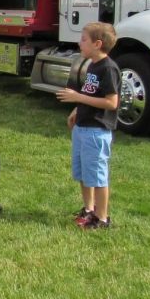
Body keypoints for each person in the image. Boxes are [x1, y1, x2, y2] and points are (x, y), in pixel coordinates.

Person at [57, 22, 120, 230]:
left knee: (98, 176)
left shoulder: (108, 68)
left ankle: (102, 219)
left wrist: (77, 97)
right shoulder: (91, 64)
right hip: (82, 127)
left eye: (84, 39)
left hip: (96, 131)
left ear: (98, 44)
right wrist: (76, 110)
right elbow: (91, 94)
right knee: (84, 173)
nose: (79, 43)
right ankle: (88, 210)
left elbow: (111, 102)